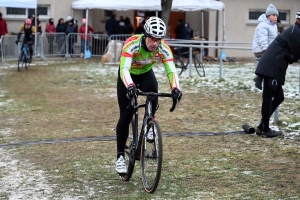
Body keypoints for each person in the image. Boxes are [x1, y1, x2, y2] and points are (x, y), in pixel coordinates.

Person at [115, 16, 182, 174]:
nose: (155, 43)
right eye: (152, 39)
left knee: (153, 90)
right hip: (128, 74)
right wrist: (130, 85)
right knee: (126, 115)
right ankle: (119, 158)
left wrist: (176, 88)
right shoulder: (132, 44)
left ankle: (150, 120)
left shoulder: (163, 48)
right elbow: (124, 68)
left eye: (158, 39)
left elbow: (171, 69)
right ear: (145, 35)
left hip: (145, 73)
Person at [254, 11, 300, 138]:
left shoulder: (294, 30)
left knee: (279, 97)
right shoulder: (295, 32)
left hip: (274, 67)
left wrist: (290, 56)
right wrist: (291, 56)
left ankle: (261, 126)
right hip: (272, 67)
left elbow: (292, 55)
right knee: (268, 98)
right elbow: (296, 54)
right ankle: (265, 130)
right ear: (298, 20)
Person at [252, 4, 278, 90]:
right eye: (273, 15)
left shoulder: (273, 25)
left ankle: (261, 79)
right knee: (270, 63)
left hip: (269, 50)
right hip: (261, 49)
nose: (275, 17)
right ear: (268, 16)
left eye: (276, 15)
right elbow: (263, 39)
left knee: (271, 65)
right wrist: (265, 50)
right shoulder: (263, 25)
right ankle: (260, 79)